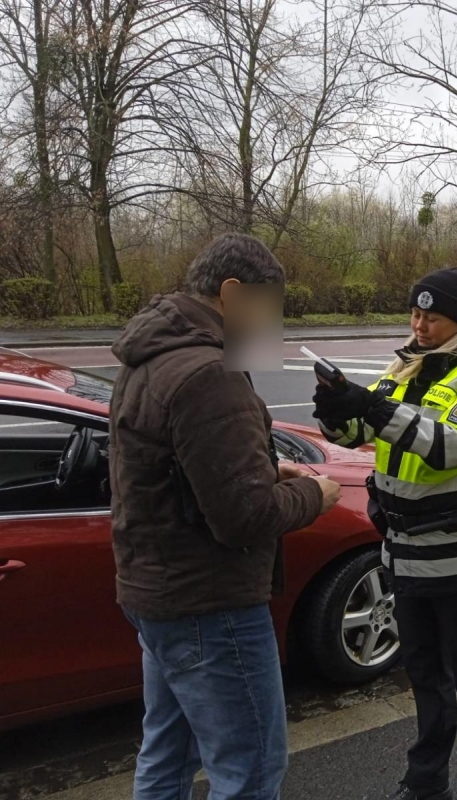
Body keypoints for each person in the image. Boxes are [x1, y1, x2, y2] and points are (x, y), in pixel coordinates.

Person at [109, 233, 341, 800]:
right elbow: (244, 517)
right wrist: (317, 494)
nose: (272, 328)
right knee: (252, 769)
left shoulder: (150, 357)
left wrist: (266, 468)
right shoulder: (209, 374)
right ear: (233, 293)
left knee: (166, 754)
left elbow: (174, 472)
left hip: (156, 592)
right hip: (210, 605)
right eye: (269, 309)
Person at [311, 267, 457, 800]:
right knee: (426, 682)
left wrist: (373, 408)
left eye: (431, 316)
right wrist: (337, 412)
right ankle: (427, 783)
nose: (419, 323)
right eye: (415, 313)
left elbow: (451, 446)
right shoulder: (405, 367)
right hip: (403, 560)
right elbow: (362, 431)